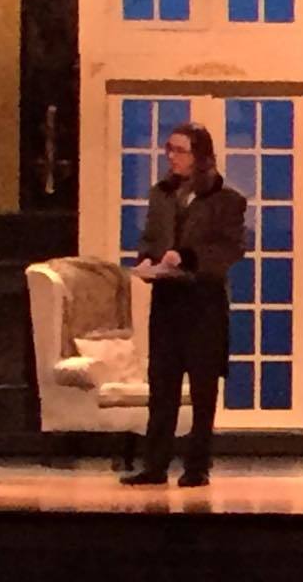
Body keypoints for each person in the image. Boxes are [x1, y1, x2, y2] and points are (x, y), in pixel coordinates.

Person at [121, 122, 246, 488]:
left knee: (203, 388)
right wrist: (147, 261)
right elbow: (150, 238)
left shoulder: (227, 199)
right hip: (167, 301)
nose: (172, 157)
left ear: (200, 156)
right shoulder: (161, 194)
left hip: (203, 304)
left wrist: (187, 257)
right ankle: (155, 465)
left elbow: (229, 249)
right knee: (162, 386)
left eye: (180, 150)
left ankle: (197, 467)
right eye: (169, 150)